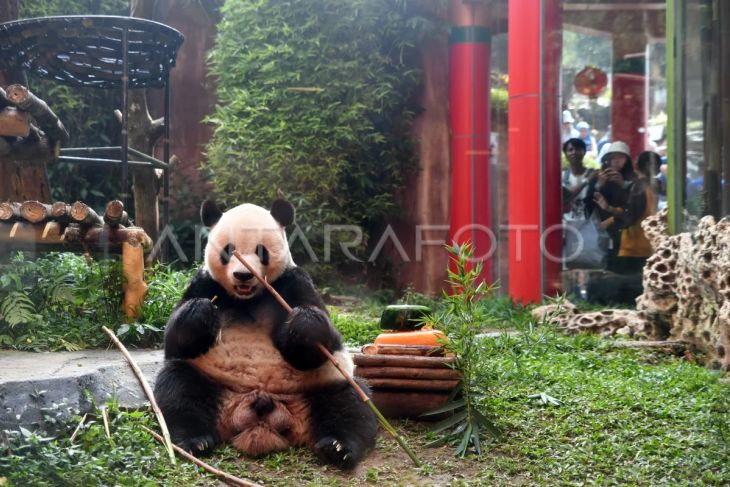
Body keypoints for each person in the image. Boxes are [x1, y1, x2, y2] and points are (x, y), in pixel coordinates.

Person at [590, 142, 655, 274]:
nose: (616, 161)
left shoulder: (634, 180)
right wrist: (599, 185)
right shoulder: (599, 175)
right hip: (602, 229)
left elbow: (631, 208)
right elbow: (589, 201)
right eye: (612, 157)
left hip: (625, 231)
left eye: (620, 157)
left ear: (627, 160)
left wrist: (622, 184)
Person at [561, 138, 596, 219]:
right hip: (567, 224)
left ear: (584, 152)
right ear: (565, 154)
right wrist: (587, 180)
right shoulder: (561, 175)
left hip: (589, 223)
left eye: (578, 149)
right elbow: (566, 197)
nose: (574, 152)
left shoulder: (593, 173)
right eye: (570, 150)